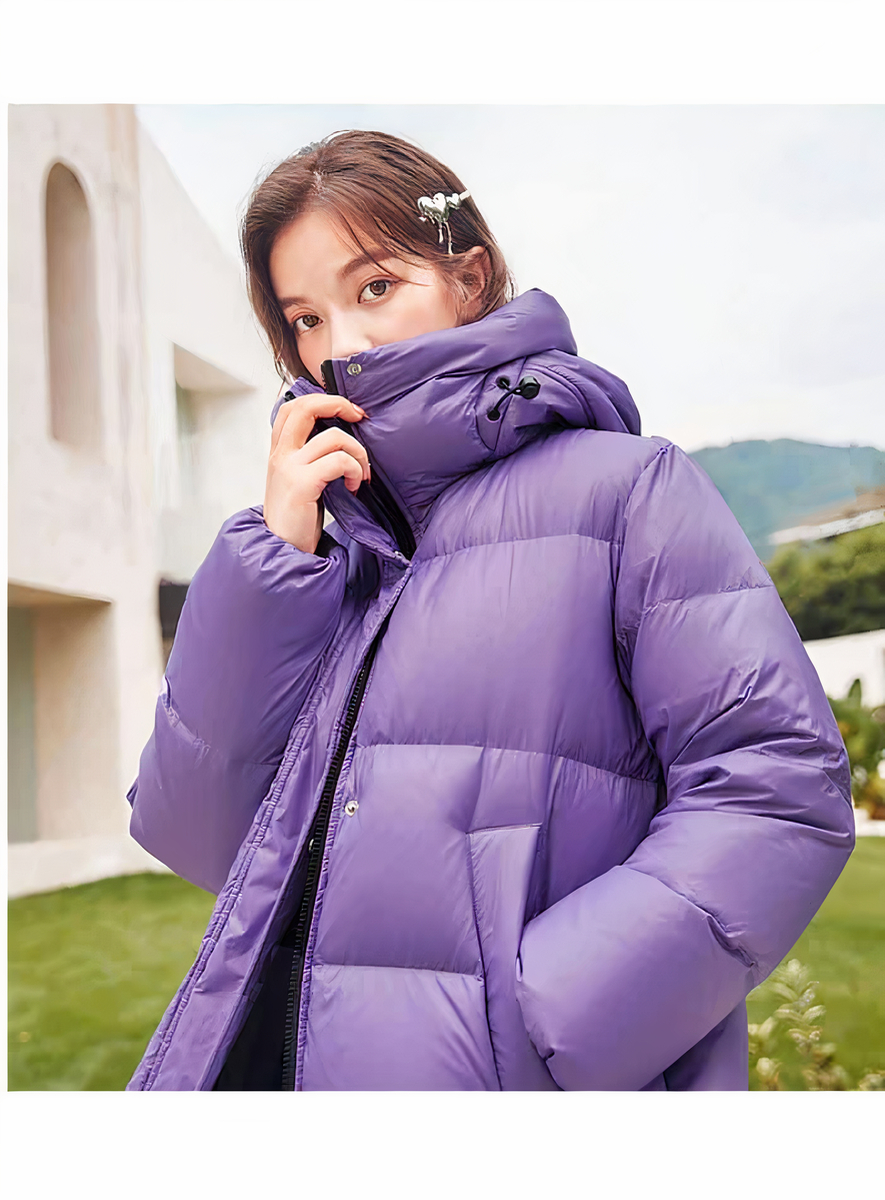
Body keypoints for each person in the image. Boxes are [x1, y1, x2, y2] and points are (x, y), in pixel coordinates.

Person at [126, 130, 855, 1091]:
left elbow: (776, 782)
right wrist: (272, 566)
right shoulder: (319, 553)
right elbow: (196, 833)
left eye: (374, 286)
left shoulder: (624, 493)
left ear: (468, 279)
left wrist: (541, 1018)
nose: (340, 347)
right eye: (304, 317)